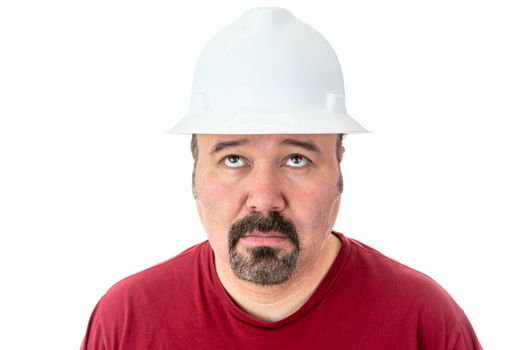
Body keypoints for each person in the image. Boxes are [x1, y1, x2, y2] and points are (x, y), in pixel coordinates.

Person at [81, 7, 482, 349]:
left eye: (296, 159)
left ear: (339, 166)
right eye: (234, 158)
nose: (265, 198)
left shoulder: (422, 321)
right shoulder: (126, 321)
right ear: (195, 170)